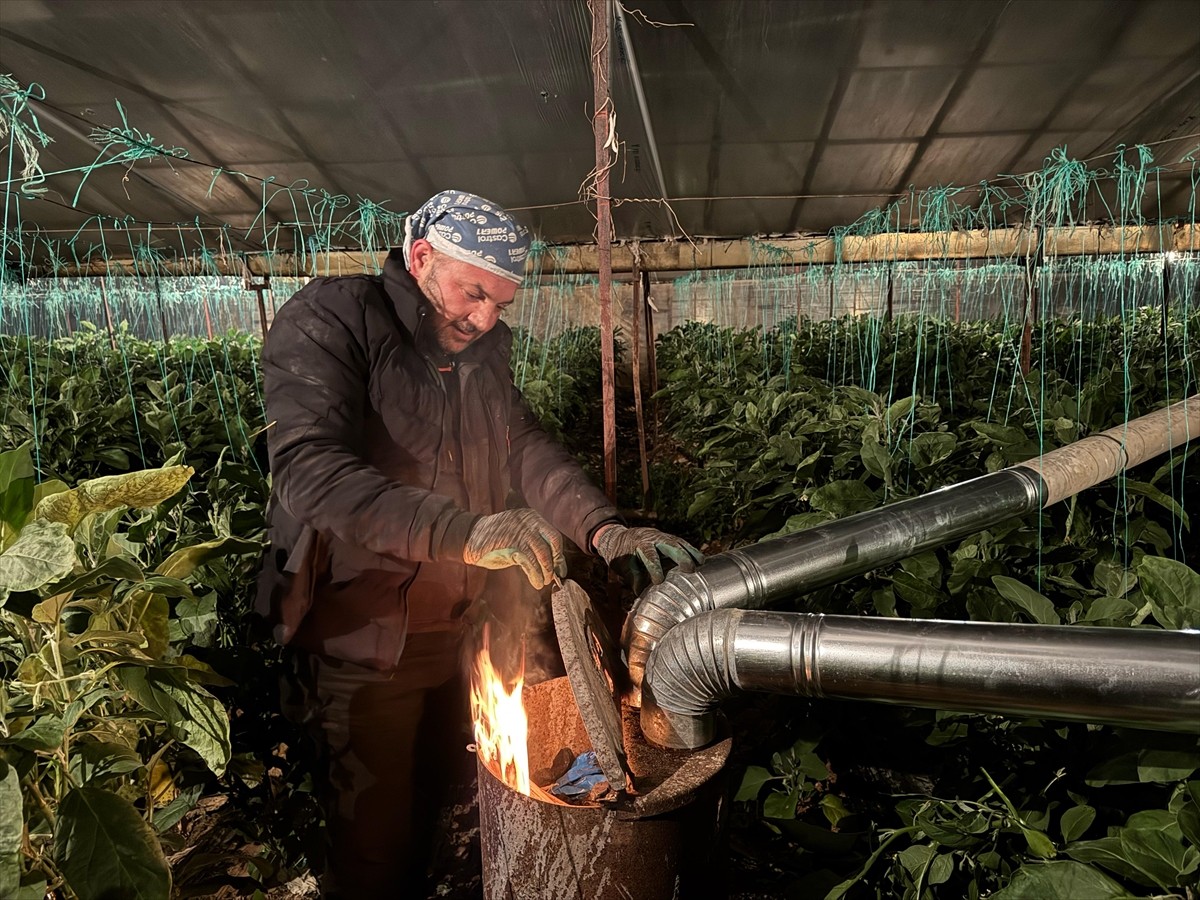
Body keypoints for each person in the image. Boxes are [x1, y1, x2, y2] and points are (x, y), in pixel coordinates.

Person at [255, 189, 702, 897]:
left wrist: (602, 526)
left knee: (439, 797)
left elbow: (521, 447)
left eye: (502, 303)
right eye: (472, 294)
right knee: (373, 841)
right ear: (422, 257)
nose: (486, 317)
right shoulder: (332, 318)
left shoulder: (481, 348)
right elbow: (310, 472)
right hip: (359, 638)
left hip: (452, 629)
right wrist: (466, 532)